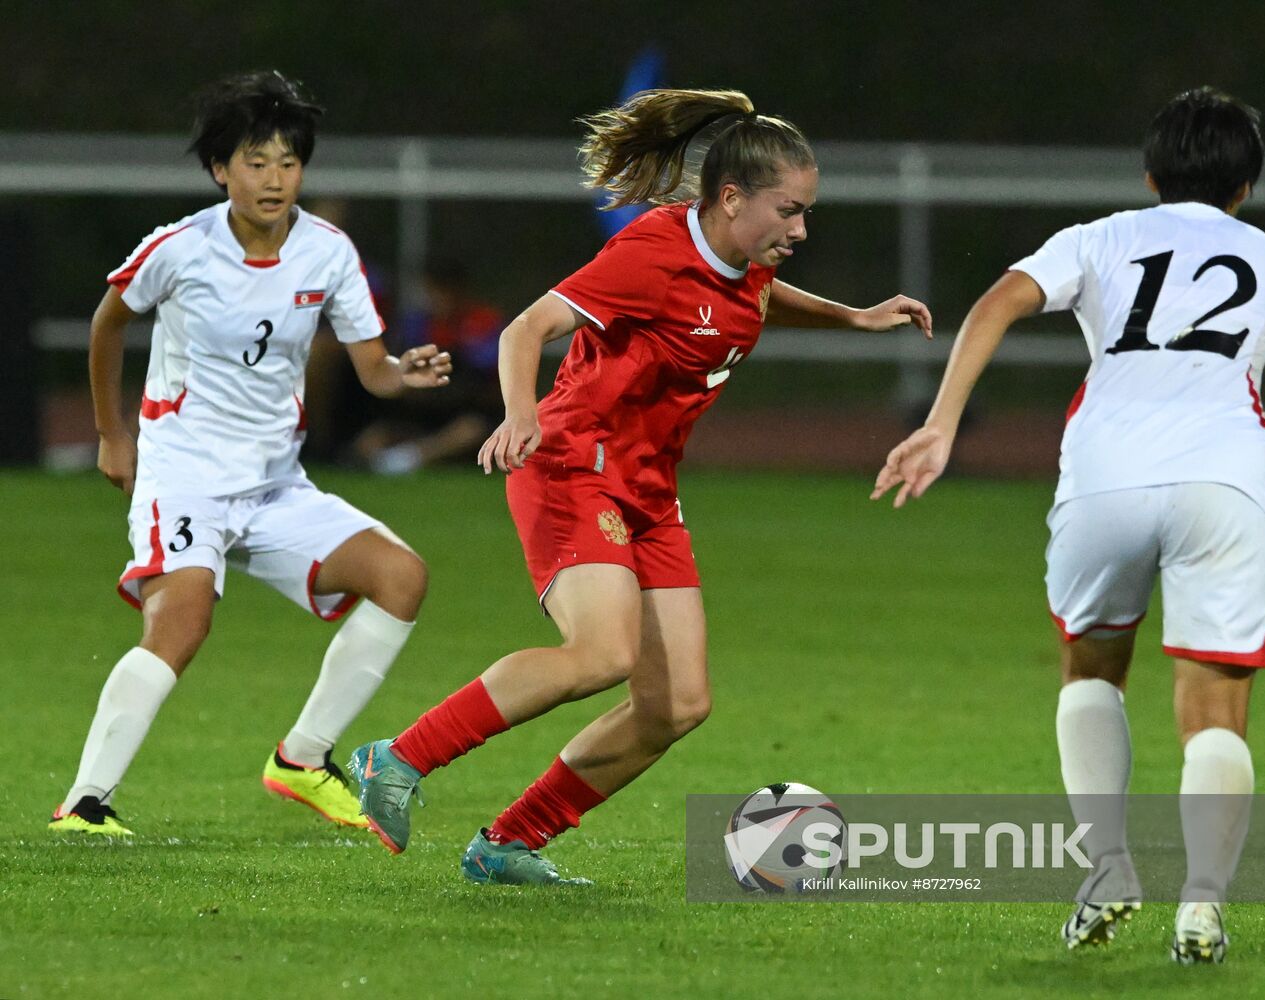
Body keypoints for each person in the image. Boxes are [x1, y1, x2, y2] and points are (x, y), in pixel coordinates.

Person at [348, 88, 931, 883]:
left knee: (677, 704)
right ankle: (397, 758)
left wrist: (854, 317)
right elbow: (528, 328)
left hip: (649, 492)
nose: (801, 229)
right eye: (789, 211)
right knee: (600, 654)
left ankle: (508, 845)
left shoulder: (746, 260)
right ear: (731, 199)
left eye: (806, 212)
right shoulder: (653, 251)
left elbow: (752, 297)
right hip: (571, 465)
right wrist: (521, 414)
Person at [872, 87, 1265, 964]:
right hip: (1224, 485)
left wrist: (939, 422)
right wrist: (1233, 431)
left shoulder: (1102, 237)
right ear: (1248, 186)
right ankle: (1202, 906)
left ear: (1152, 174)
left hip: (1104, 474)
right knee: (1216, 709)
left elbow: (997, 303)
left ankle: (1109, 868)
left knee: (1091, 669)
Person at [48, 70, 452, 838]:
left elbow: (372, 367)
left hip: (273, 483)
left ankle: (301, 759)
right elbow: (108, 324)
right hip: (185, 472)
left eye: (288, 163)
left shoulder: (329, 253)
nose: (274, 179)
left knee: (401, 577)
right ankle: (85, 803)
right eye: (256, 161)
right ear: (219, 169)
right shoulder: (180, 248)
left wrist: (404, 374)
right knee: (183, 622)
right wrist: (112, 432)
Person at [354, 256, 506, 474]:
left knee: (469, 431)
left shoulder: (484, 322)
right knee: (370, 440)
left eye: (445, 289)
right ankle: (390, 461)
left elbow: (487, 375)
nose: (440, 298)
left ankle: (409, 460)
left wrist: (454, 357)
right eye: (433, 289)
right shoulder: (416, 323)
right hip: (423, 412)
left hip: (466, 411)